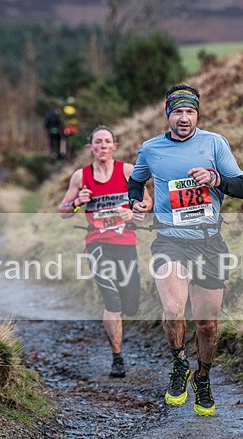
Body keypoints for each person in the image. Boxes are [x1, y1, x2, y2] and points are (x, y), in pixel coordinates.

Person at [127, 84, 243, 416]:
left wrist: (215, 178)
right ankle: (180, 363)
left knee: (206, 323)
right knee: (173, 309)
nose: (184, 118)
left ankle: (203, 378)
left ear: (197, 114)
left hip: (209, 242)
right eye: (178, 112)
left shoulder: (215, 143)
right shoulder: (151, 149)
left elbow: (242, 188)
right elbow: (135, 181)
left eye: (190, 112)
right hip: (170, 240)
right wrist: (137, 202)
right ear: (168, 114)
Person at [58, 125, 149, 378]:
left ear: (114, 146)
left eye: (107, 141)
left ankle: (120, 327)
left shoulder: (128, 171)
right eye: (97, 142)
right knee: (112, 300)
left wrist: (133, 211)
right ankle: (117, 358)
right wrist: (78, 203)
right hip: (96, 245)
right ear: (91, 147)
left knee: (131, 305)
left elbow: (146, 201)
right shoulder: (81, 177)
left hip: (126, 243)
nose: (102, 146)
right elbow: (63, 210)